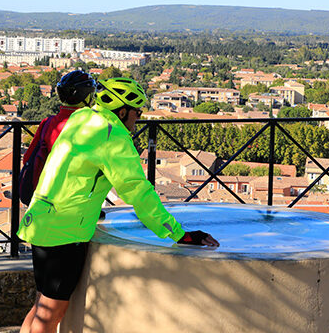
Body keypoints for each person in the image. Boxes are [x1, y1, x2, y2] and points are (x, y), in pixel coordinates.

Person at [18, 77, 219, 333]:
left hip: (41, 219)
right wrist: (179, 234)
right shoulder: (113, 137)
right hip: (64, 231)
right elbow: (138, 191)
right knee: (50, 315)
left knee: (40, 307)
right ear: (122, 111)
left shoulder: (82, 119)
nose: (138, 119)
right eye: (137, 113)